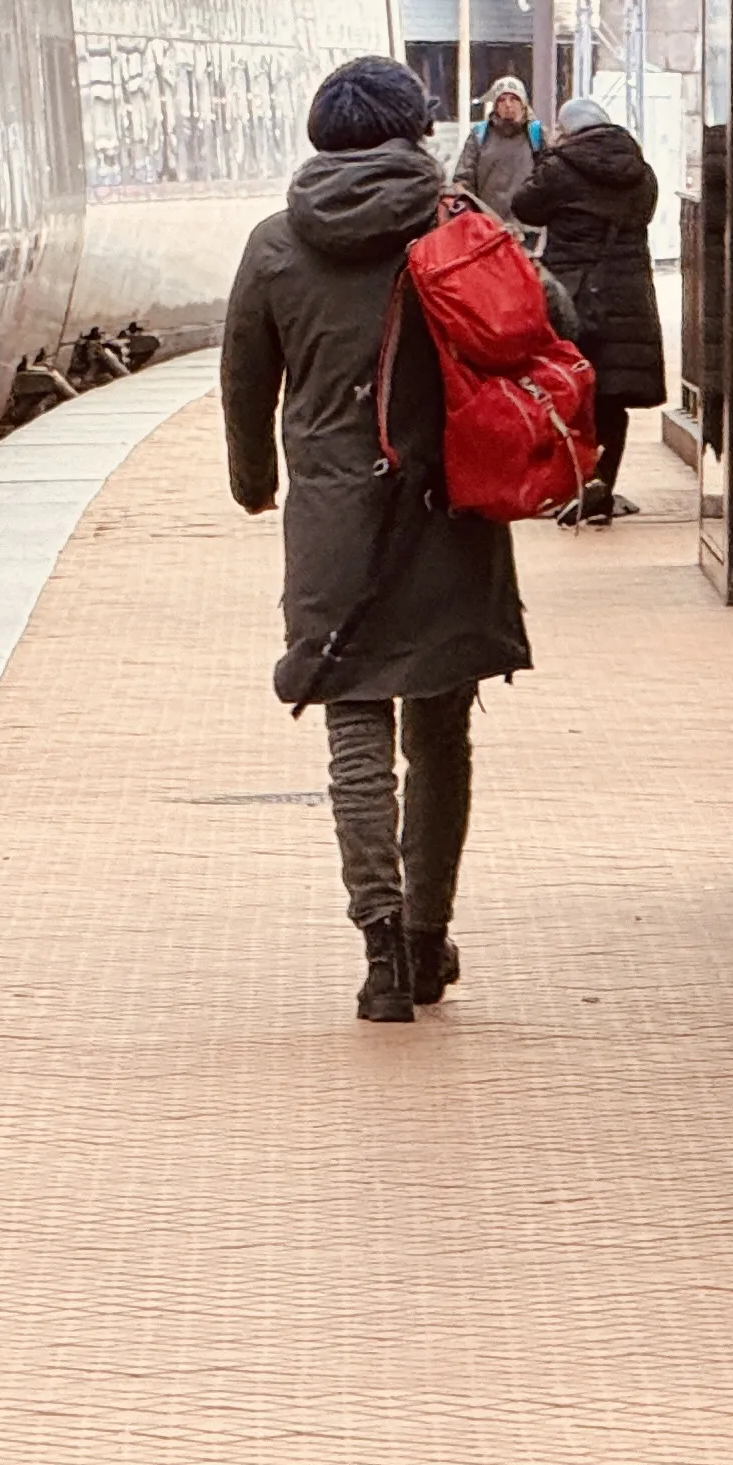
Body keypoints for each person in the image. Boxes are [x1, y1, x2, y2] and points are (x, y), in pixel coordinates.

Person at [223, 54, 538, 1026]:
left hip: (334, 528)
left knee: (354, 729)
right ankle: (427, 936)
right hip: (447, 513)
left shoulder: (277, 245)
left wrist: (255, 483)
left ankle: (379, 953)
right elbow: (541, 327)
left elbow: (244, 383)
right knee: (440, 734)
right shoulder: (461, 231)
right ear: (415, 134)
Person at [512, 95, 664, 525]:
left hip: (573, 292)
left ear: (568, 129)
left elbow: (526, 206)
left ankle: (569, 485)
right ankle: (601, 488)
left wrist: (547, 159)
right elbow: (646, 211)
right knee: (612, 396)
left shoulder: (560, 168)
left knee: (567, 386)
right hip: (628, 294)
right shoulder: (641, 172)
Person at [456, 76, 541, 222]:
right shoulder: (479, 135)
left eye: (514, 98)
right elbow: (463, 182)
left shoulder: (537, 134)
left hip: (529, 230)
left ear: (523, 103)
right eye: (502, 100)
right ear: (495, 106)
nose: (508, 105)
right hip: (488, 229)